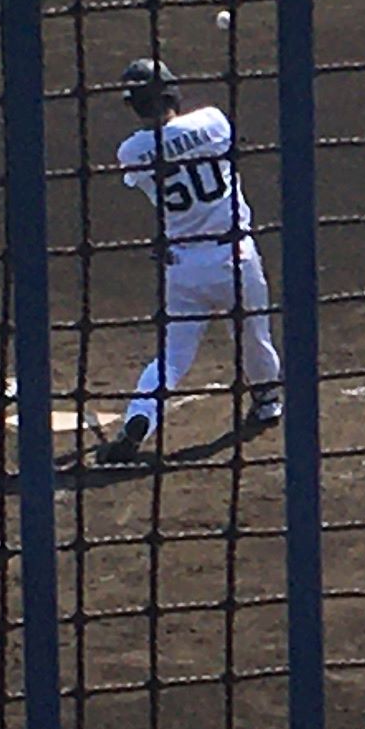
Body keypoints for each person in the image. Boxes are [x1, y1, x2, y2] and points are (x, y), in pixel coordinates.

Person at [101, 55, 286, 465]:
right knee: (253, 336)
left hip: (183, 266)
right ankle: (267, 400)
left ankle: (139, 417)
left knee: (172, 356)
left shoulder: (131, 152)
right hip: (236, 257)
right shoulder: (213, 122)